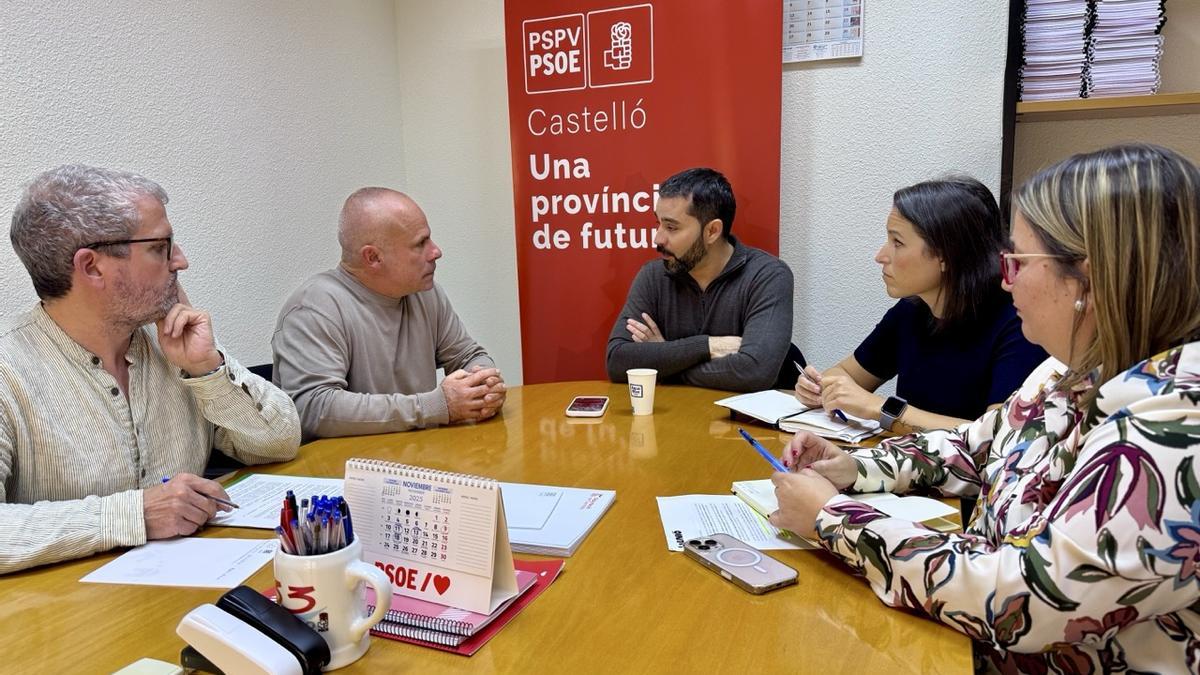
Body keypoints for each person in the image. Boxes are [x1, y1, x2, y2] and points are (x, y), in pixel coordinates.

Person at [770, 144, 1200, 672]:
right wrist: (854, 466)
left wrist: (833, 520)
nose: (1004, 279)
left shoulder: (1174, 432)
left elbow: (1025, 600)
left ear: (1089, 278)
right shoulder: (1067, 370)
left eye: (1017, 262)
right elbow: (975, 445)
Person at [0, 165, 301, 574]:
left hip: (196, 589)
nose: (181, 261)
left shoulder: (170, 345)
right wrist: (134, 515)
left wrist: (206, 370)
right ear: (92, 267)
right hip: (67, 609)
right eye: (161, 247)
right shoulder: (9, 371)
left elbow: (280, 442)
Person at [795, 177, 1046, 432]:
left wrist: (881, 409)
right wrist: (819, 388)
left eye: (897, 243)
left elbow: (998, 434)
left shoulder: (1017, 322)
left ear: (946, 255)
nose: (880, 256)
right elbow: (846, 375)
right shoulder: (912, 309)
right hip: (907, 455)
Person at [272, 187, 505, 441]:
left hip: (419, 454)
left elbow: (468, 355)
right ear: (373, 257)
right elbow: (314, 409)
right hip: (348, 463)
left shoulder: (424, 293)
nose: (436, 251)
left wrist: (483, 385)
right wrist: (435, 406)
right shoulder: (314, 309)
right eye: (420, 243)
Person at [605, 167, 794, 392]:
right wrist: (708, 346)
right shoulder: (653, 276)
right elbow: (617, 362)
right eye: (658, 224)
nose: (658, 238)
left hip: (747, 414)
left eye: (671, 227)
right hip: (679, 412)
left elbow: (755, 372)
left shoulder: (768, 276)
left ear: (712, 231)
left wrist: (666, 361)